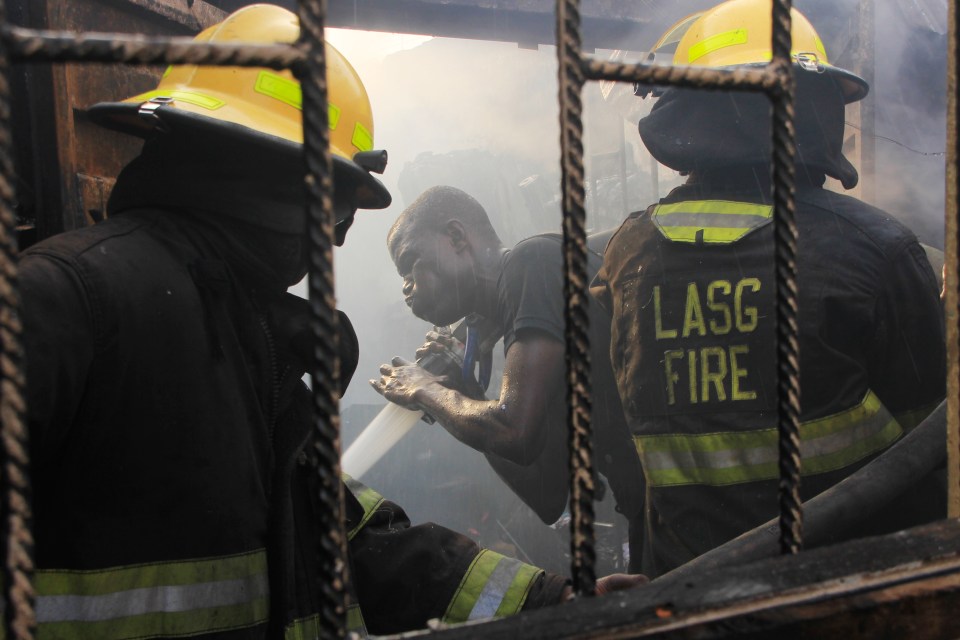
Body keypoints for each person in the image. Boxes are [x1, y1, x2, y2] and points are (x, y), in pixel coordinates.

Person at [20, 5, 642, 638]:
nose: (339, 235)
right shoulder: (67, 299)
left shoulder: (246, 327)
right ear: (271, 173)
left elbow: (353, 537)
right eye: (335, 198)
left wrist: (555, 602)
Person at [590, 0, 947, 578]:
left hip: (689, 592)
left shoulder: (626, 254)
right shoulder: (876, 249)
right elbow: (936, 443)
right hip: (848, 589)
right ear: (810, 108)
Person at [371, 185, 646, 571]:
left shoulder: (529, 263)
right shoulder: (526, 320)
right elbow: (546, 493)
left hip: (675, 509)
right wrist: (464, 393)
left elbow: (514, 432)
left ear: (455, 236)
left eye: (409, 262)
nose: (406, 287)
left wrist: (425, 389)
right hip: (654, 512)